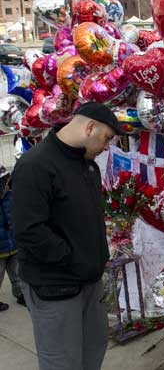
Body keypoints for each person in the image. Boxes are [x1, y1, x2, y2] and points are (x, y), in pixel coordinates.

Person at [12, 102, 124, 370]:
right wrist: (73, 258)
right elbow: (29, 231)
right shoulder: (35, 165)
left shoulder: (88, 166)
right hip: (55, 287)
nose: (107, 146)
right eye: (107, 138)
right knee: (62, 361)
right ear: (89, 127)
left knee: (93, 350)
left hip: (89, 281)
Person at [0, 166, 22, 309]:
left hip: (13, 243)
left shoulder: (11, 196)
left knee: (17, 273)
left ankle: (20, 294)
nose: (7, 184)